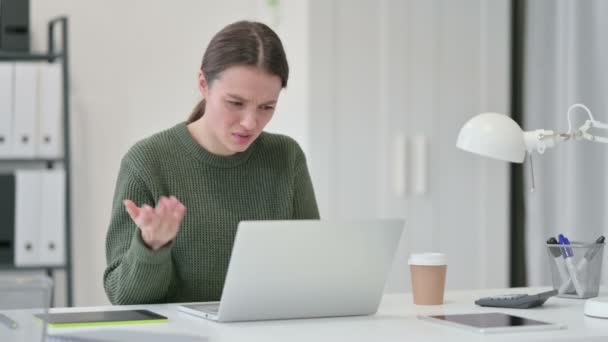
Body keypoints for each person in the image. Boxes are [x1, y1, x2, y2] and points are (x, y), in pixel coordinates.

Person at [103, 21, 320, 305]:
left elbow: (313, 270)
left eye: (267, 107)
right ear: (203, 84)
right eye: (235, 103)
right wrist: (152, 246)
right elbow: (123, 298)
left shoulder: (286, 158)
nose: (250, 122)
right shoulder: (147, 162)